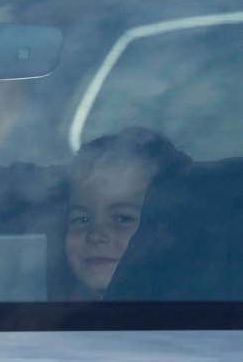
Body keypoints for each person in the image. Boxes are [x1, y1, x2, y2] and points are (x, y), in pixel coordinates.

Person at [64, 127, 190, 300]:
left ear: (166, 230)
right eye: (82, 218)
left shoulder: (186, 319)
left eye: (123, 218)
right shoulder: (47, 317)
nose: (96, 235)